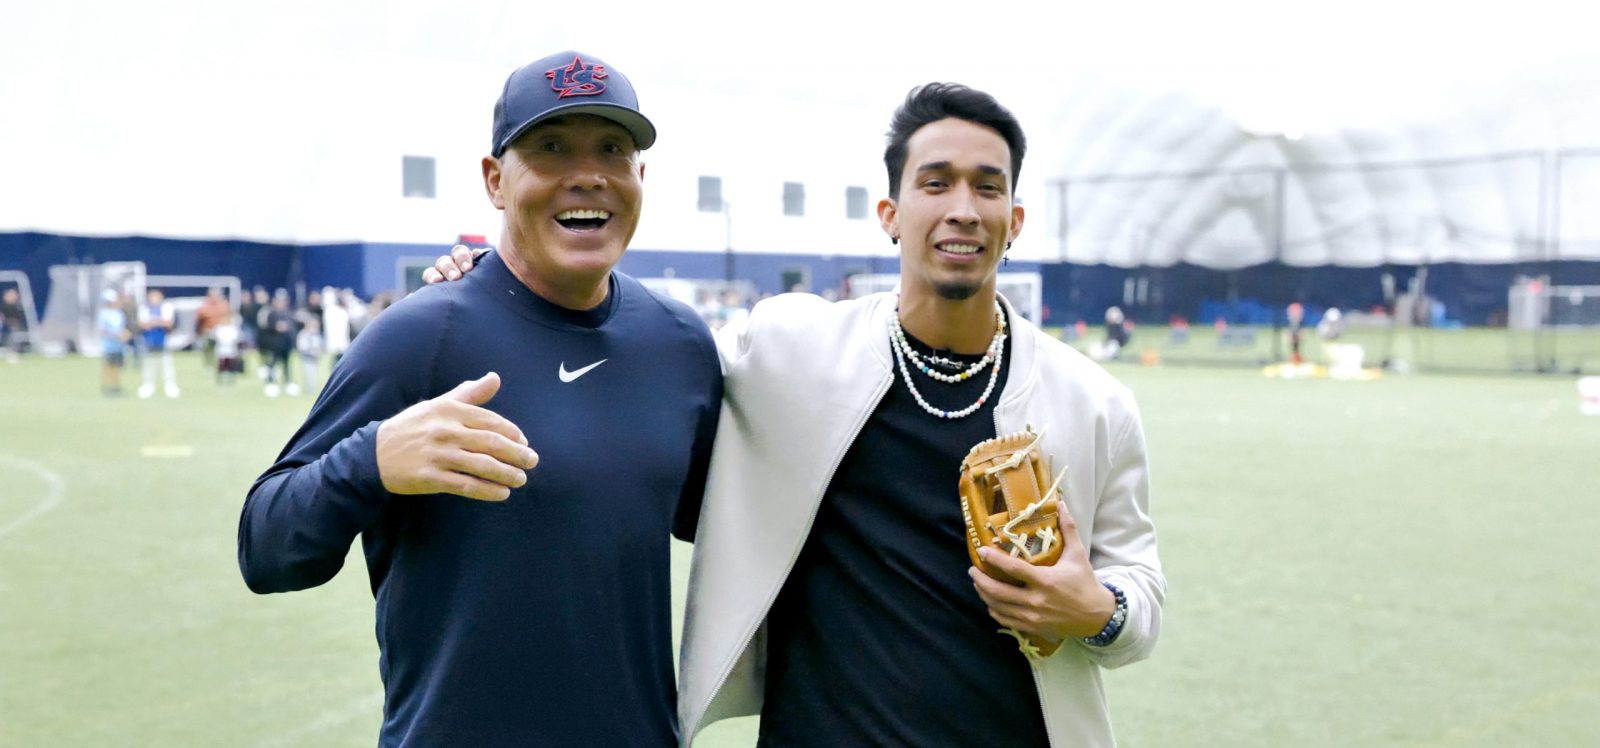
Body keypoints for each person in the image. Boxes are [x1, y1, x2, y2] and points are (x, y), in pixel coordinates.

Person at [427, 82, 1164, 747]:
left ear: (1016, 219)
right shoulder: (789, 350)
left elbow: (1139, 588)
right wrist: (498, 283)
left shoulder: (1093, 404)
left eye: (987, 187)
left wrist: (1096, 610)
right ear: (891, 215)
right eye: (935, 183)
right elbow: (636, 351)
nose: (962, 209)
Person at [237, 50, 721, 747]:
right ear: (495, 181)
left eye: (611, 150)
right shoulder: (420, 337)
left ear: (639, 177)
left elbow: (720, 521)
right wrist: (371, 460)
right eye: (551, 149)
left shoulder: (679, 344)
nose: (588, 175)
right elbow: (266, 547)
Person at [137, 288, 180, 398]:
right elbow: (143, 324)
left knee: (166, 363)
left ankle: (170, 386)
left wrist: (154, 322)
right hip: (148, 340)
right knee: (148, 364)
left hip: (164, 340)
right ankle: (148, 385)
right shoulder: (144, 309)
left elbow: (169, 323)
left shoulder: (166, 307)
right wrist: (159, 322)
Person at [97, 289, 127, 395]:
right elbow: (102, 330)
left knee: (117, 367)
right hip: (109, 344)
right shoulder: (103, 313)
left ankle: (116, 386)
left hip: (119, 345)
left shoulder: (119, 313)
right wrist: (115, 334)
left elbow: (122, 328)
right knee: (108, 366)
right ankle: (107, 387)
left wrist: (124, 334)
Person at [194, 287, 230, 368]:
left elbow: (227, 318)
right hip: (207, 331)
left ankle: (221, 365)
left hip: (220, 332)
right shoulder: (205, 304)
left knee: (222, 350)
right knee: (207, 348)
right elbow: (199, 316)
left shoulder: (223, 304)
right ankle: (208, 364)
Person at [0, 287, 26, 363]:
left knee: (15, 332)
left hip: (14, 327)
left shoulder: (18, 306)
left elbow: (18, 319)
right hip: (5, 326)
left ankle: (12, 353)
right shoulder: (3, 306)